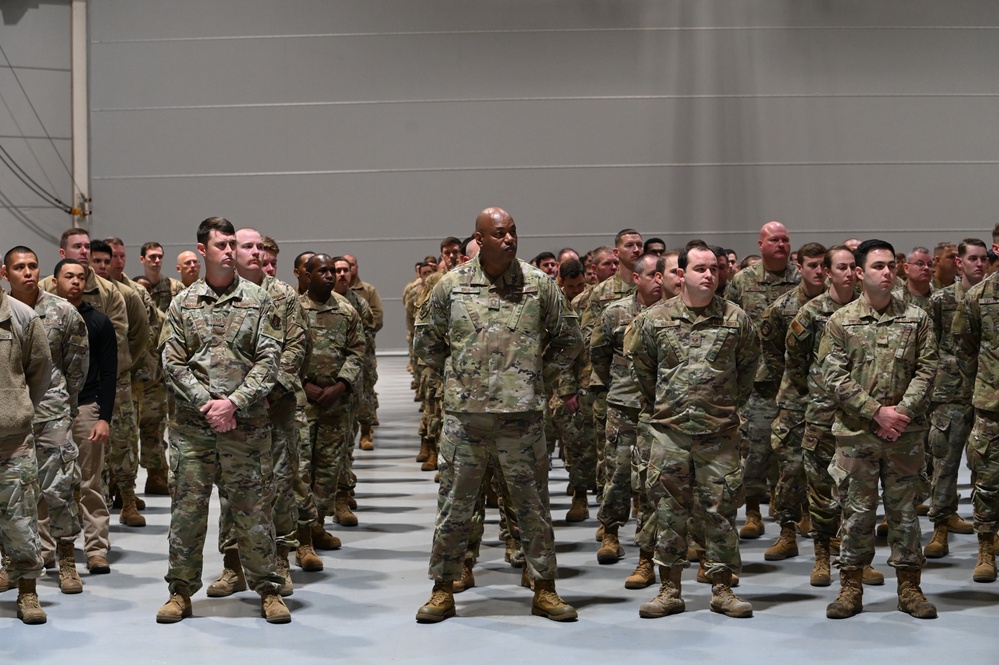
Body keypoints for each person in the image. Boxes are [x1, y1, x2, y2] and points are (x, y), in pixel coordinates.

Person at [413, 206, 582, 623]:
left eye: (513, 232)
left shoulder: (538, 285)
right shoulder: (450, 286)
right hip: (466, 419)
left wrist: (535, 373)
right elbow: (426, 343)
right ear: (480, 239)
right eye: (499, 233)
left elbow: (569, 340)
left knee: (532, 505)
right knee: (455, 505)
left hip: (520, 419)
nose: (508, 239)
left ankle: (544, 588)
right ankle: (442, 589)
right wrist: (461, 375)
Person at [157, 216, 289, 624]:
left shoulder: (258, 298)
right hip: (193, 431)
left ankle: (268, 589)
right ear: (203, 250)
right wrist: (207, 404)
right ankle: (180, 592)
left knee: (253, 511)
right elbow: (172, 361)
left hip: (244, 427)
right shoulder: (182, 303)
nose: (230, 251)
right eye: (221, 245)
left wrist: (232, 403)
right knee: (187, 514)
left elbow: (270, 359)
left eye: (233, 243)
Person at [626, 241, 760, 619]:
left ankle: (722, 588)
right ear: (681, 274)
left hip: (719, 435)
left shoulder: (736, 320)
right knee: (668, 512)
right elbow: (643, 370)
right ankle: (670, 589)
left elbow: (748, 369)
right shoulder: (654, 320)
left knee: (720, 511)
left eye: (715, 269)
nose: (709, 275)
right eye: (701, 268)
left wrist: (722, 407)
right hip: (670, 433)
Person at [820, 239, 938, 620]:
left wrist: (900, 413)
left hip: (906, 434)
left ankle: (910, 588)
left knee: (905, 513)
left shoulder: (916, 318)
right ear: (858, 272)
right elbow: (832, 376)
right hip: (857, 436)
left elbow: (927, 369)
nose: (886, 272)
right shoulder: (841, 321)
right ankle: (850, 588)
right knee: (856, 514)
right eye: (877, 266)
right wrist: (876, 413)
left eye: (890, 265)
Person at [206, 228, 309, 598]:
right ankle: (233, 566)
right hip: (233, 412)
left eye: (257, 247)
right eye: (243, 246)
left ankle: (279, 561)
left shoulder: (282, 295)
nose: (251, 253)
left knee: (279, 484)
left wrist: (268, 392)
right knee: (232, 488)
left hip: (274, 408)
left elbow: (296, 348)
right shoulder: (222, 294)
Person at [3, 247, 89, 595]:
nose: (27, 272)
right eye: (19, 267)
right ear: (5, 273)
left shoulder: (62, 311)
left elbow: (77, 366)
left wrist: (63, 402)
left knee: (60, 487)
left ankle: (67, 560)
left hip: (52, 410)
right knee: (13, 494)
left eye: (32, 266)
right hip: (11, 417)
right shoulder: (4, 311)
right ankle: (13, 563)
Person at [590, 253, 663, 588]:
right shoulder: (615, 312)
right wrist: (618, 385)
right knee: (618, 472)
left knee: (654, 479)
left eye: (664, 274)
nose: (659, 280)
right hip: (624, 405)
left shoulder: (673, 313)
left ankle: (649, 550)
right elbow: (599, 355)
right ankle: (611, 531)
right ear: (637, 278)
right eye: (653, 275)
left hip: (661, 408)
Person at [725, 221, 800, 539]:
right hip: (757, 382)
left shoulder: (801, 280)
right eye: (774, 240)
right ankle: (753, 511)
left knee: (794, 453)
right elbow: (728, 324)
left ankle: (794, 517)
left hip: (795, 380)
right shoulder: (742, 281)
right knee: (755, 451)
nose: (781, 245)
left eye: (785, 239)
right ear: (760, 245)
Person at [757, 243, 827, 563]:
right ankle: (787, 530)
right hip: (796, 400)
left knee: (830, 471)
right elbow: (772, 353)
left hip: (834, 401)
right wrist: (788, 385)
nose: (818, 271)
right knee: (791, 469)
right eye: (811, 265)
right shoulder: (782, 307)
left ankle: (829, 539)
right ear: (799, 267)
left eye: (823, 265)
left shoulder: (844, 306)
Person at [297, 254, 365, 571]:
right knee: (301, 470)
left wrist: (341, 385)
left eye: (330, 270)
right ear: (307, 276)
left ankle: (318, 525)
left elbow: (357, 351)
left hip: (336, 405)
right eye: (321, 271)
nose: (328, 275)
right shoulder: (294, 309)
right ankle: (302, 540)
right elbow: (283, 352)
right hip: (302, 404)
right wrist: (304, 384)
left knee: (327, 470)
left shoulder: (346, 310)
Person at [52, 259, 117, 577]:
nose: (75, 282)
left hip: (87, 407)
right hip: (49, 411)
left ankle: (95, 550)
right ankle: (45, 549)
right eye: (69, 276)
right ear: (55, 280)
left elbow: (110, 373)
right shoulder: (41, 318)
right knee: (48, 483)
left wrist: (104, 418)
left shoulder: (99, 322)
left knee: (91, 482)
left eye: (80, 277)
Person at [924, 238, 988, 559]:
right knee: (944, 462)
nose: (980, 264)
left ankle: (986, 528)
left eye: (983, 259)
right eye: (973, 259)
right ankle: (940, 525)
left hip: (985, 391)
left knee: (984, 463)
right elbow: (930, 344)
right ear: (960, 263)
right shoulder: (940, 300)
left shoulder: (991, 299)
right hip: (949, 393)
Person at [0, 281, 52, 624]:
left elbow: (40, 371)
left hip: (12, 439)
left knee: (20, 520)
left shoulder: (21, 316)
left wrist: (18, 410)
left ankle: (27, 591)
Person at [90, 240, 149, 528]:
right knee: (91, 440)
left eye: (105, 261)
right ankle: (97, 501)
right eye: (96, 261)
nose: (101, 266)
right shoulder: (73, 291)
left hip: (120, 378)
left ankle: (127, 500)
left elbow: (139, 334)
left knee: (124, 438)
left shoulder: (127, 294)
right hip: (86, 380)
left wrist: (123, 361)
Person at [952, 221, 999, 584]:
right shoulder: (977, 297)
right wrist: (983, 388)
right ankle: (986, 547)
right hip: (992, 405)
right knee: (987, 480)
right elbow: (965, 350)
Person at [343, 253, 383, 450]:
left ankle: (366, 432)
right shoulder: (326, 298)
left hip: (362, 354)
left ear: (355, 268)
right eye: (339, 269)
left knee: (365, 393)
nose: (344, 272)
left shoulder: (364, 294)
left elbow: (375, 319)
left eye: (348, 267)